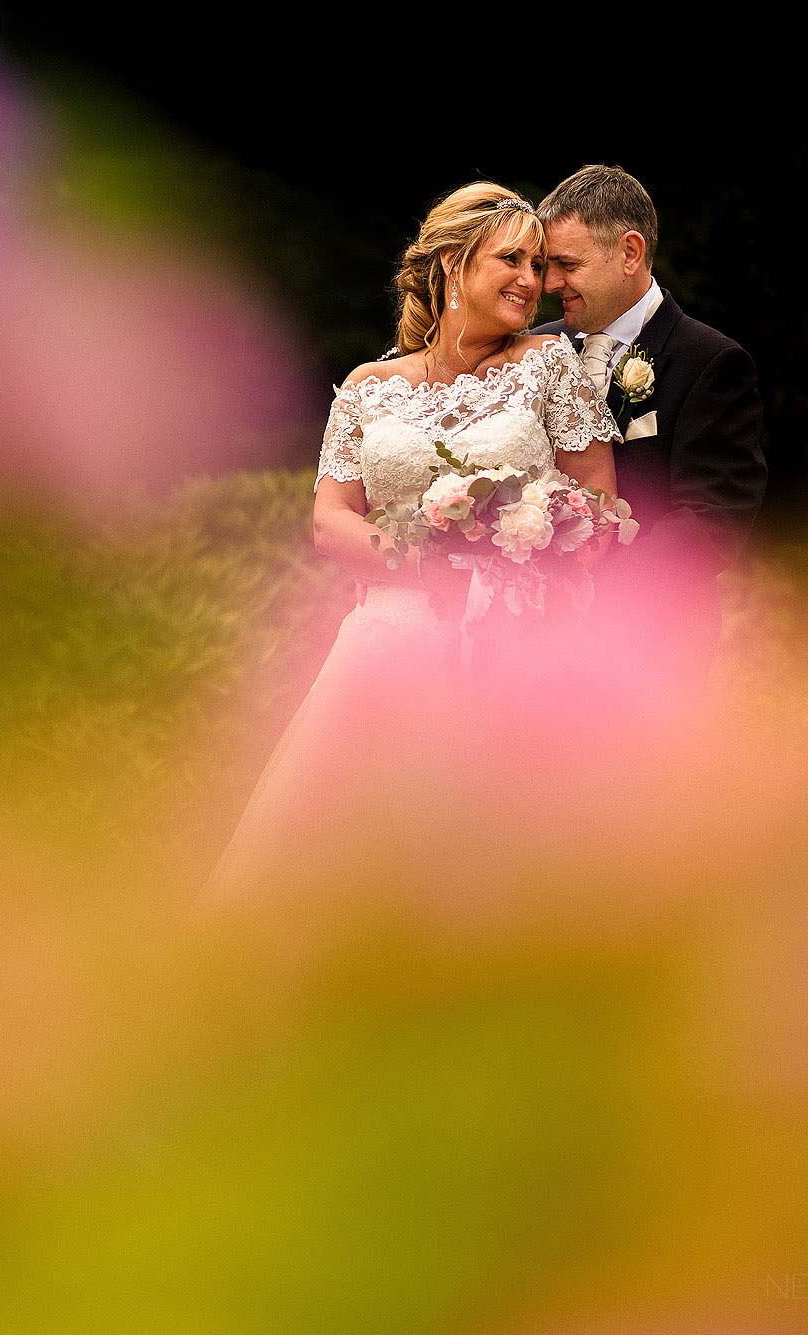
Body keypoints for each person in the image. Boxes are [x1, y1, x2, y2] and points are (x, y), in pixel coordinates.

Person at [206, 182, 619, 900]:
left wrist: (535, 560)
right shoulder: (368, 387)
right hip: (386, 643)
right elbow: (330, 518)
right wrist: (420, 563)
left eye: (540, 263)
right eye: (512, 260)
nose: (533, 281)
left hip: (509, 644)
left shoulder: (549, 368)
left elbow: (601, 502)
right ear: (455, 264)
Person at [532, 164, 768, 665]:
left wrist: (596, 590)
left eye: (566, 264)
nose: (550, 283)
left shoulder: (710, 362)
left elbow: (711, 522)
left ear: (630, 253)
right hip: (530, 640)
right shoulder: (533, 351)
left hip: (655, 651)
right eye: (546, 266)